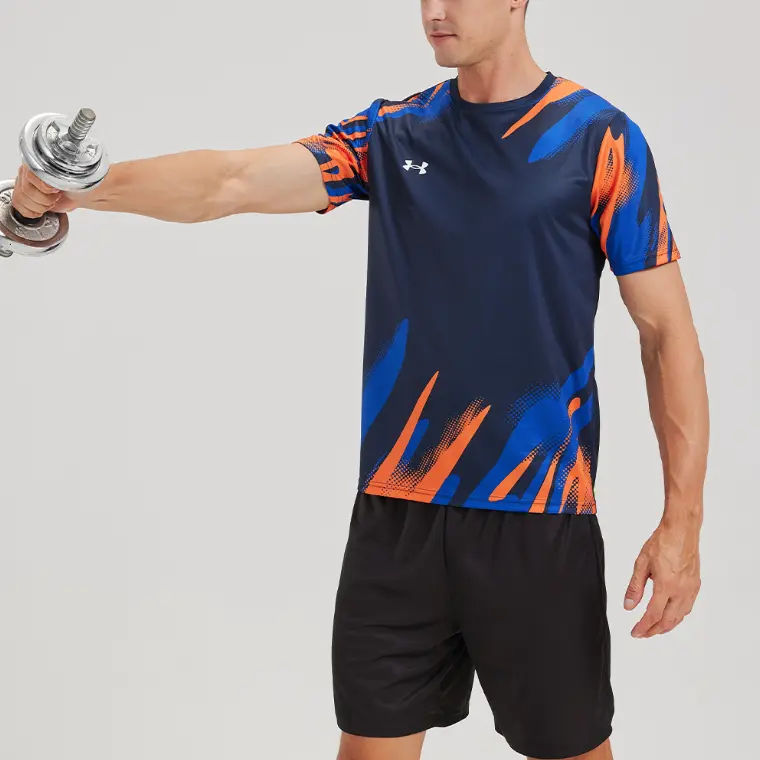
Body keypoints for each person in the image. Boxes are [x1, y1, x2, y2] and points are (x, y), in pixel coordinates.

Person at [11, 1, 708, 758]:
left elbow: (667, 335)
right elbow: (231, 182)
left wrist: (682, 524)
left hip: (536, 517)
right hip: (396, 517)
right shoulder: (392, 134)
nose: (435, 11)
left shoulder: (602, 140)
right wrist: (86, 187)